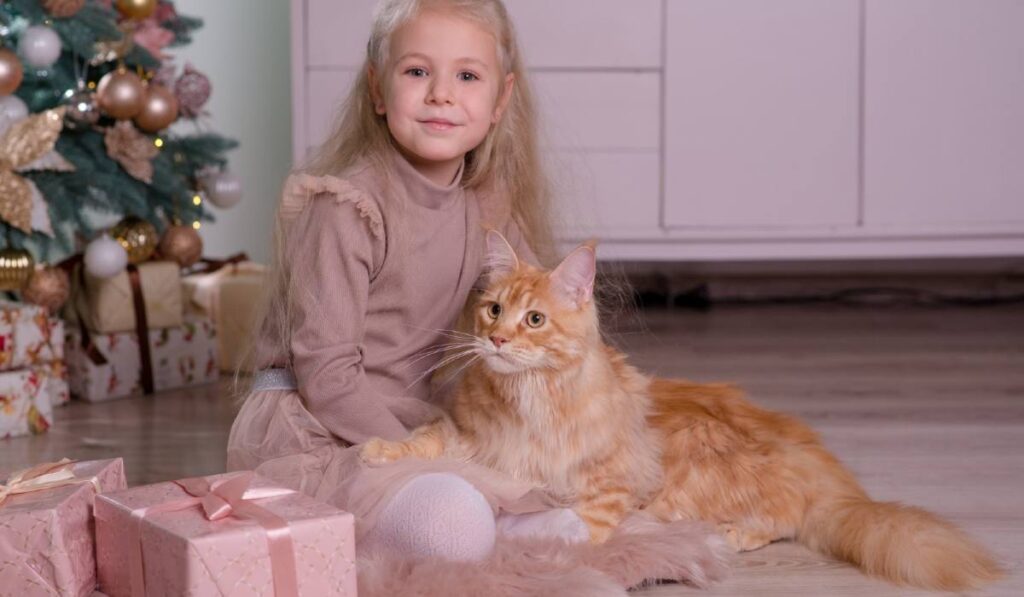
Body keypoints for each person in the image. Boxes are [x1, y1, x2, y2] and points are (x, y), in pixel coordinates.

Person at [226, 0, 589, 560]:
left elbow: (538, 316)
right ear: (378, 88)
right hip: (323, 428)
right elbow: (327, 378)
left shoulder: (486, 203)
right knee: (451, 521)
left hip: (416, 416)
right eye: (417, 71)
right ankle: (458, 523)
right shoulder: (347, 207)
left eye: (467, 76)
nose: (441, 94)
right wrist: (425, 455)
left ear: (500, 100)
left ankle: (483, 517)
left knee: (568, 490)